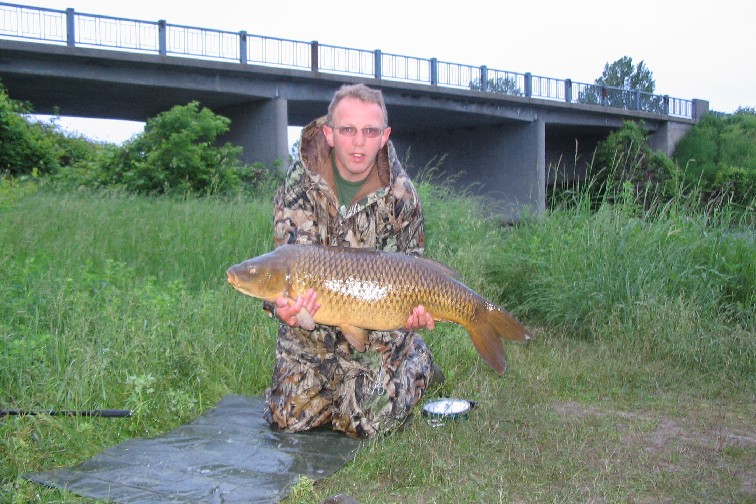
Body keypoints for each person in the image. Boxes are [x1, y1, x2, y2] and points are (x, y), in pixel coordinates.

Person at [263, 83, 438, 438]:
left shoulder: (402, 196)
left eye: (369, 131)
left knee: (364, 423)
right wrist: (278, 306)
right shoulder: (299, 183)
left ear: (384, 136)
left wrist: (414, 317)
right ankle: (334, 383)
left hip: (380, 331)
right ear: (329, 133)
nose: (358, 142)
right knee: (287, 420)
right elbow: (282, 266)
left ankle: (418, 360)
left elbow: (414, 270)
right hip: (310, 334)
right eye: (347, 130)